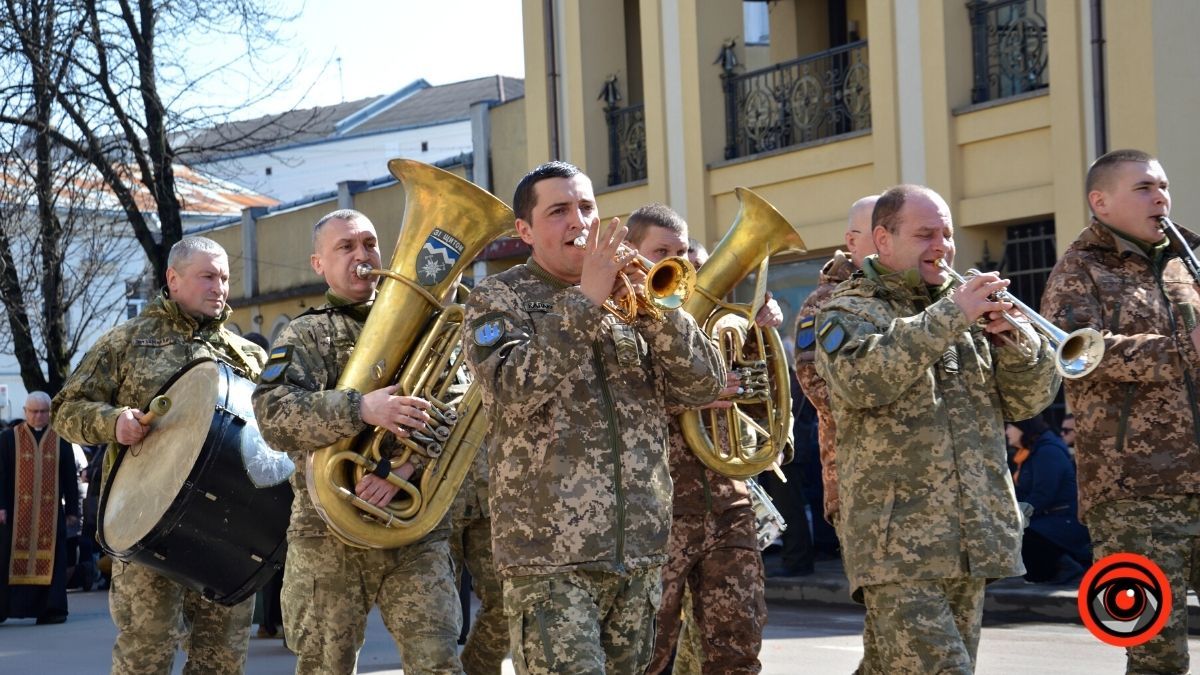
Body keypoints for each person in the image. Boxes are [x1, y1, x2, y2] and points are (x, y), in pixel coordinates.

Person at [462, 162, 724, 674]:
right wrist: (586, 299)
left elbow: (704, 385)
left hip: (638, 552)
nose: (578, 222)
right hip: (550, 559)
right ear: (525, 230)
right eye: (558, 211)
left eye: (586, 207)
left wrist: (658, 311)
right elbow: (512, 387)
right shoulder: (499, 297)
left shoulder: (634, 297)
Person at [815, 184, 1060, 673]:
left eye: (946, 235)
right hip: (897, 545)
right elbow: (862, 381)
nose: (942, 246)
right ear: (883, 240)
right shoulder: (849, 309)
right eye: (925, 234)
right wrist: (951, 315)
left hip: (972, 536)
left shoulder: (964, 308)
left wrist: (1018, 347)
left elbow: (1027, 403)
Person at [252, 209, 463, 674]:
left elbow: (459, 405)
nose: (361, 255)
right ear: (319, 264)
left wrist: (405, 469)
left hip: (413, 525)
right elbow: (272, 415)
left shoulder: (429, 324)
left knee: (438, 663)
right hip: (327, 533)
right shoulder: (304, 333)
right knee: (324, 667)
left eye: (369, 243)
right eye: (345, 247)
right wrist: (360, 409)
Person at [51, 236, 266, 673]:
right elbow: (65, 410)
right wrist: (114, 422)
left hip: (226, 532)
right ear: (174, 278)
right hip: (148, 528)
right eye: (207, 276)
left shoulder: (246, 355)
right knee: (146, 655)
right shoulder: (127, 342)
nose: (219, 287)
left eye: (224, 278)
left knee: (222, 660)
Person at [1041, 148, 1200, 673]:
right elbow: (1078, 354)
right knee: (1158, 655)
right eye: (1145, 188)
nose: (1161, 198)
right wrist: (1183, 349)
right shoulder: (1078, 270)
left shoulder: (1185, 264)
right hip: (1134, 492)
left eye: (1164, 187)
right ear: (1101, 201)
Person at [624, 204, 779, 675]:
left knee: (739, 647)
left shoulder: (716, 325)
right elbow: (612, 408)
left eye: (684, 253)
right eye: (662, 252)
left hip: (728, 504)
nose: (678, 264)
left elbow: (762, 408)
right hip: (656, 511)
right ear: (631, 251)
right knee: (646, 655)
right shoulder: (616, 322)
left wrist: (757, 337)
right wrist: (692, 393)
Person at [795, 194, 879, 526]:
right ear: (852, 241)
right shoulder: (825, 301)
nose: (888, 240)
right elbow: (816, 384)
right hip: (855, 469)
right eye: (879, 231)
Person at [0, 393, 80, 625]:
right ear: (25, 411)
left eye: (43, 411)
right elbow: (1, 475)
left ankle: (52, 609)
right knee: (6, 559)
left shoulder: (61, 438)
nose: (38, 416)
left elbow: (70, 477)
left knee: (54, 559)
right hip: (14, 514)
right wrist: (1, 506)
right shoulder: (8, 438)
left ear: (50, 413)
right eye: (34, 411)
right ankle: (4, 608)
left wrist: (73, 510)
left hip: (50, 514)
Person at [1004, 415, 1091, 584]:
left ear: (1023, 428)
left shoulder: (1047, 451)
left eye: (1010, 427)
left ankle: (1066, 565)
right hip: (1047, 517)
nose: (1006, 432)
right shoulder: (1029, 452)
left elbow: (1043, 494)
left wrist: (1017, 517)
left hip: (1063, 520)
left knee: (1021, 535)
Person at [448, 445, 506, 674]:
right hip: (436, 504)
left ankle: (475, 669)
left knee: (509, 598)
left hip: (496, 497)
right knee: (436, 615)